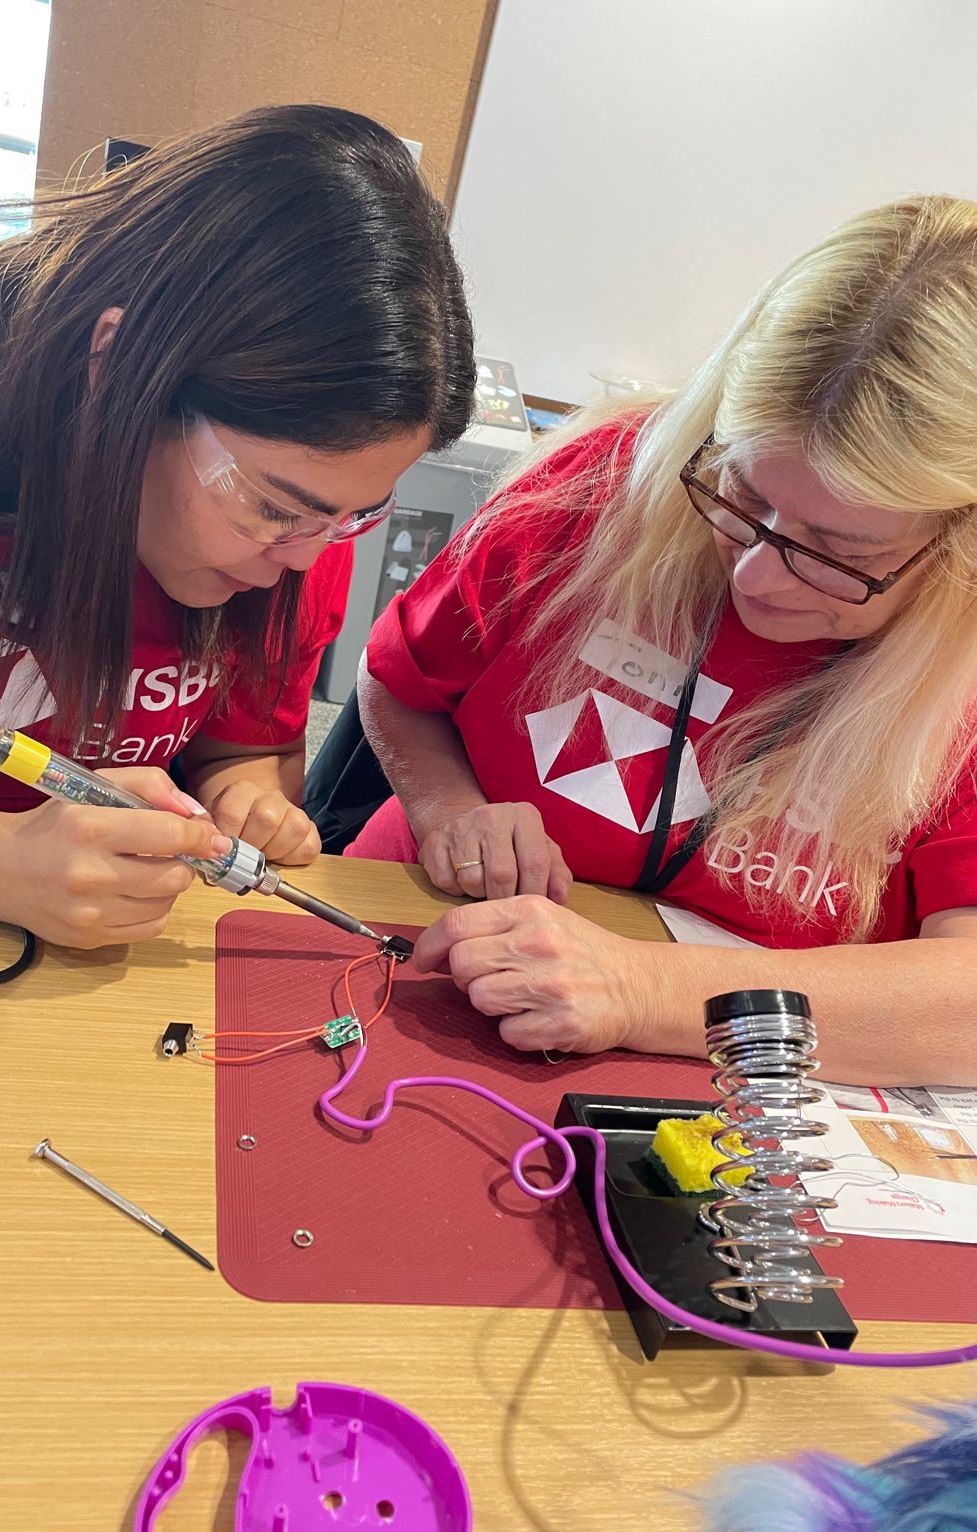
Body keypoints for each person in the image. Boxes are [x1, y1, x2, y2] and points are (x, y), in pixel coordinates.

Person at [0, 105, 474, 949]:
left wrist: (244, 801)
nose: (300, 559)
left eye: (352, 516)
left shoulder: (301, 525)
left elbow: (242, 754)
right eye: (274, 507)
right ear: (116, 367)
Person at [353, 195, 977, 1084]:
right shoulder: (604, 482)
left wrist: (649, 989)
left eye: (841, 554)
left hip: (719, 1067)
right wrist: (449, 809)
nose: (756, 577)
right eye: (741, 496)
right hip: (428, 959)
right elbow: (398, 681)